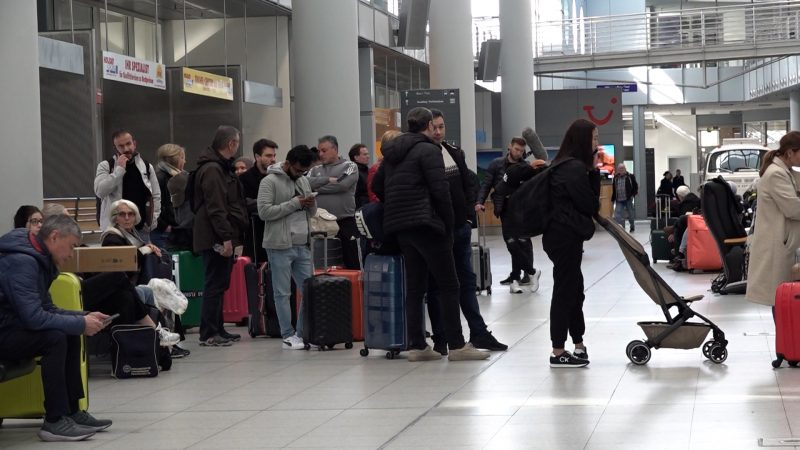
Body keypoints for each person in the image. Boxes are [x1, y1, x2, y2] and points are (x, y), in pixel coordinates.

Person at [373, 107, 489, 362]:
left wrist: (398, 203)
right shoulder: (429, 150)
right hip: (428, 225)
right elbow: (440, 191)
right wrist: (448, 223)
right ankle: (457, 346)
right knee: (449, 284)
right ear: (427, 125)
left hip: (402, 228)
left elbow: (376, 185)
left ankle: (417, 345)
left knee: (415, 288)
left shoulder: (392, 151)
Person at [0, 214, 112, 442]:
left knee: (67, 332)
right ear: (54, 237)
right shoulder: (24, 262)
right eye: (71, 246)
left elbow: (47, 308)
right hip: (5, 331)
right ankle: (54, 420)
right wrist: (80, 323)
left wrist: (83, 317)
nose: (71, 254)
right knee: (54, 338)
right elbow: (34, 318)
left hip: (11, 327)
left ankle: (71, 411)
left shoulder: (39, 258)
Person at [424, 109, 507, 354]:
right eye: (433, 128)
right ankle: (442, 339)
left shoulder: (452, 152)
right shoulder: (421, 155)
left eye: (441, 126)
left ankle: (478, 333)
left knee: (467, 282)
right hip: (437, 231)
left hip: (459, 228)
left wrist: (469, 217)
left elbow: (468, 182)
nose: (438, 132)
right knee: (438, 286)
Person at [544, 119, 601, 368]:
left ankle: (577, 342)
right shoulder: (574, 169)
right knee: (565, 291)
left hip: (562, 236)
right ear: (582, 140)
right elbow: (590, 204)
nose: (596, 144)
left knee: (574, 289)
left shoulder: (566, 165)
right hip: (564, 237)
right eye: (594, 138)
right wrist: (595, 171)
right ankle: (558, 351)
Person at [192, 125, 249, 347]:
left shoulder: (218, 167)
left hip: (218, 232)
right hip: (214, 235)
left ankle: (218, 327)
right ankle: (208, 332)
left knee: (220, 283)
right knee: (214, 283)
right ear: (231, 144)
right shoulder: (213, 170)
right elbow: (216, 206)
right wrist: (226, 238)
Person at [257, 145, 316, 349]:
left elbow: (312, 212)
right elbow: (264, 212)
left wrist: (310, 203)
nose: (301, 174)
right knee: (282, 293)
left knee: (309, 290)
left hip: (303, 243)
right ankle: (287, 334)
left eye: (304, 171)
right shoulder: (269, 181)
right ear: (288, 163)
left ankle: (301, 333)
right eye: (298, 170)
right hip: (279, 244)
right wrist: (294, 203)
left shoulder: (303, 180)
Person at [746, 131, 800, 318]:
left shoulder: (787, 172)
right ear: (790, 152)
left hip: (784, 242)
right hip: (779, 244)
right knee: (782, 299)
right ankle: (786, 346)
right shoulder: (776, 174)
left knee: (785, 297)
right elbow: (793, 209)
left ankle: (787, 344)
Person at [476, 137, 539, 294]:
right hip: (504, 209)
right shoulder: (496, 164)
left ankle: (521, 276)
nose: (518, 153)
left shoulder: (525, 167)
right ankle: (526, 273)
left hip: (521, 210)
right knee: (512, 243)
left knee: (521, 242)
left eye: (521, 151)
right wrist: (480, 201)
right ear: (509, 147)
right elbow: (486, 184)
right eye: (516, 149)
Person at [94, 130, 161, 240]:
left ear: (134, 144)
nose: (125, 149)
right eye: (121, 146)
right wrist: (119, 170)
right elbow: (100, 191)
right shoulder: (106, 166)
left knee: (144, 257)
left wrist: (152, 220)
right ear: (115, 148)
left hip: (141, 229)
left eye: (128, 144)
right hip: (115, 230)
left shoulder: (146, 166)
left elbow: (156, 195)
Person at [307, 135, 361, 270]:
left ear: (335, 149)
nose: (320, 154)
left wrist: (317, 186)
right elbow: (306, 185)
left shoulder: (349, 166)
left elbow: (342, 185)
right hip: (321, 224)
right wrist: (330, 181)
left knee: (352, 261)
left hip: (345, 221)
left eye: (324, 151)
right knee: (323, 264)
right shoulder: (314, 170)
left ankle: (355, 290)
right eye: (319, 151)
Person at [239, 138, 278, 263]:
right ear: (257, 156)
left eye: (274, 155)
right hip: (255, 232)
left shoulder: (279, 176)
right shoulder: (245, 178)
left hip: (276, 232)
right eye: (268, 155)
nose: (273, 159)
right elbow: (241, 202)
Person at [152, 143, 186, 249]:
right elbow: (154, 205)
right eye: (182, 158)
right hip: (163, 232)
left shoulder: (180, 177)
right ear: (175, 159)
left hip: (175, 230)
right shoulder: (160, 178)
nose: (185, 161)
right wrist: (165, 226)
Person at [611, 163, 639, 232]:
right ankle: (622, 228)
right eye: (620, 168)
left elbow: (635, 186)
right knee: (617, 214)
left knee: (631, 214)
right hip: (619, 199)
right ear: (618, 170)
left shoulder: (630, 176)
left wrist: (633, 195)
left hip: (628, 199)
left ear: (625, 169)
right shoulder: (615, 178)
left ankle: (632, 226)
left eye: (622, 168)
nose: (621, 170)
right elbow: (614, 189)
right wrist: (613, 198)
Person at [349, 143, 370, 209]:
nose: (368, 156)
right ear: (356, 157)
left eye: (367, 154)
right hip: (360, 210)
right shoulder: (352, 172)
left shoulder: (368, 170)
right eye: (365, 154)